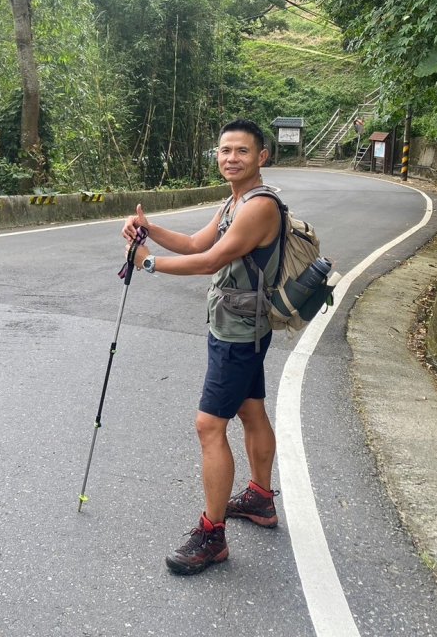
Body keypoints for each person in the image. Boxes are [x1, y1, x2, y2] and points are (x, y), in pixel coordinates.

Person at [121, 118, 283, 575]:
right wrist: (150, 229)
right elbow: (195, 242)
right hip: (241, 325)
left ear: (261, 157)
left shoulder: (259, 206)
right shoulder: (236, 201)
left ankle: (212, 536)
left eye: (242, 151)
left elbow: (210, 261)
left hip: (237, 334)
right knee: (251, 410)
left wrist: (148, 263)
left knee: (209, 426)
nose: (232, 158)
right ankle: (260, 498)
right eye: (225, 150)